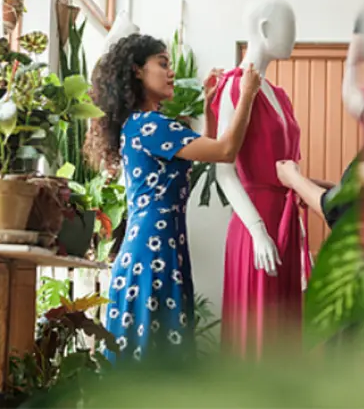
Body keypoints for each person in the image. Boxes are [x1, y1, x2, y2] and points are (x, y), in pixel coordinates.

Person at [85, 33, 260, 363]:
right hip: (153, 254)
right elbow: (225, 150)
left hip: (154, 250)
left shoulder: (141, 126)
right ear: (137, 71)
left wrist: (209, 108)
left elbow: (206, 152)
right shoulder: (151, 126)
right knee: (155, 368)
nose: (171, 72)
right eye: (162, 64)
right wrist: (247, 94)